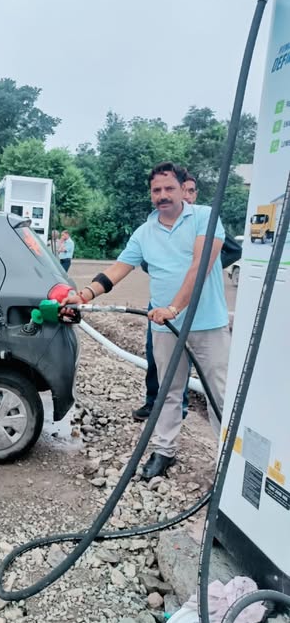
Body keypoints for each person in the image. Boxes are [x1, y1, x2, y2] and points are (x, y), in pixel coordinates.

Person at [68, 161, 230, 480]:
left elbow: (199, 267)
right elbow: (118, 269)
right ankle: (164, 451)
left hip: (207, 325)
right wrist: (85, 294)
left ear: (183, 189)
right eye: (156, 190)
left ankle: (230, 458)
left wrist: (174, 308)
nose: (162, 195)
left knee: (219, 393)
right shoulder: (144, 232)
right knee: (168, 391)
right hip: (164, 327)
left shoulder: (205, 217)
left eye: (169, 188)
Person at [132, 173, 198, 422]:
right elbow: (130, 262)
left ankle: (180, 407)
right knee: (155, 355)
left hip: (192, 309)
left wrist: (202, 269)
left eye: (190, 191)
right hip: (160, 306)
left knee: (184, 361)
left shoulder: (202, 221)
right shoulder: (150, 229)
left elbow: (229, 252)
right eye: (157, 190)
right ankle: (154, 403)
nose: (163, 195)